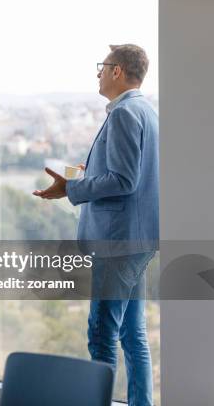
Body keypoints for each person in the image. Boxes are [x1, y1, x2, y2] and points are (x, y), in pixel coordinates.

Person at [33, 44, 159, 406]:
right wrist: (92, 176)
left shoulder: (123, 114)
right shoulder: (146, 112)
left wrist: (70, 188)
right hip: (139, 239)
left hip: (117, 242)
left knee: (102, 333)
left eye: (102, 66)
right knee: (133, 335)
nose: (98, 73)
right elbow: (131, 176)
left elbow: (123, 180)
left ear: (118, 71)